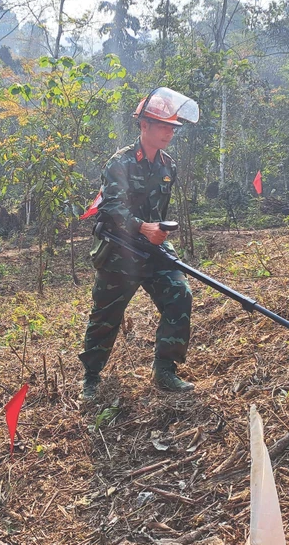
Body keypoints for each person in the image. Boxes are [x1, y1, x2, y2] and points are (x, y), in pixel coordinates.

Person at [78, 88, 200, 400]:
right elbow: (113, 210)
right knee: (105, 316)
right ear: (144, 125)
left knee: (179, 293)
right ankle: (91, 378)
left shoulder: (168, 165)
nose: (169, 133)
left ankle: (165, 369)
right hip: (120, 253)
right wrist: (143, 228)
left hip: (153, 251)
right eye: (163, 126)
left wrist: (157, 230)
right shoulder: (119, 163)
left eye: (172, 128)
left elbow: (159, 210)